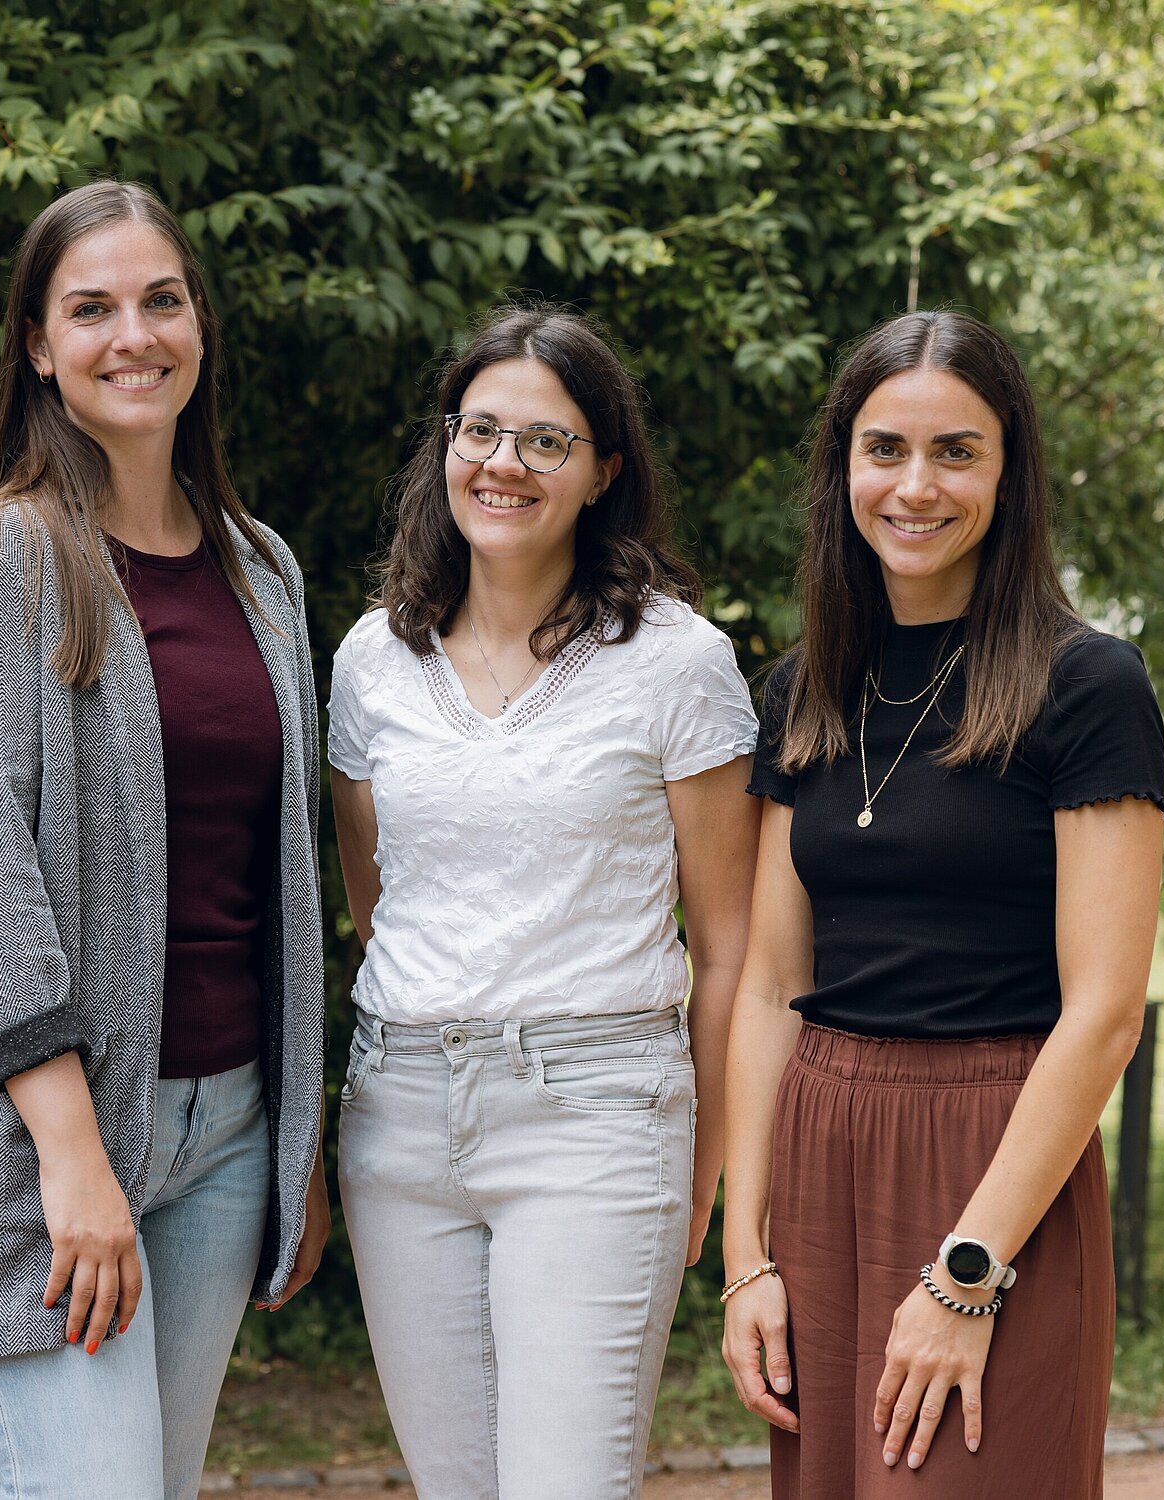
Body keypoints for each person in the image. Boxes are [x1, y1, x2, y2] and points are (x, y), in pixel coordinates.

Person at [0, 179, 328, 1500]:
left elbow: (281, 876)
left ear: (199, 325)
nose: (134, 334)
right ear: (36, 344)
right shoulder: (3, 558)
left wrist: (292, 1136)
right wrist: (75, 1165)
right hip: (41, 1153)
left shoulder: (261, 567)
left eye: (161, 300)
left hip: (225, 1136)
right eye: (91, 308)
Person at [718, 310, 1164, 1498]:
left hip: (992, 1159)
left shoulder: (1086, 685)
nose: (914, 487)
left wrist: (968, 1272)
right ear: (840, 471)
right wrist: (744, 1255)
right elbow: (768, 986)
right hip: (818, 1157)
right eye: (884, 450)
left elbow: (1105, 1012)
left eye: (954, 452)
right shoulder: (803, 688)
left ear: (1007, 472)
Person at [326, 305, 761, 1499]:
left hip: (596, 1119)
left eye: (544, 441)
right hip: (400, 1115)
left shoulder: (674, 663)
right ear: (445, 447)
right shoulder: (371, 660)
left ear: (601, 472)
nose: (501, 464)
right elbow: (382, 904)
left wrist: (706, 1167)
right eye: (479, 431)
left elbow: (732, 949)